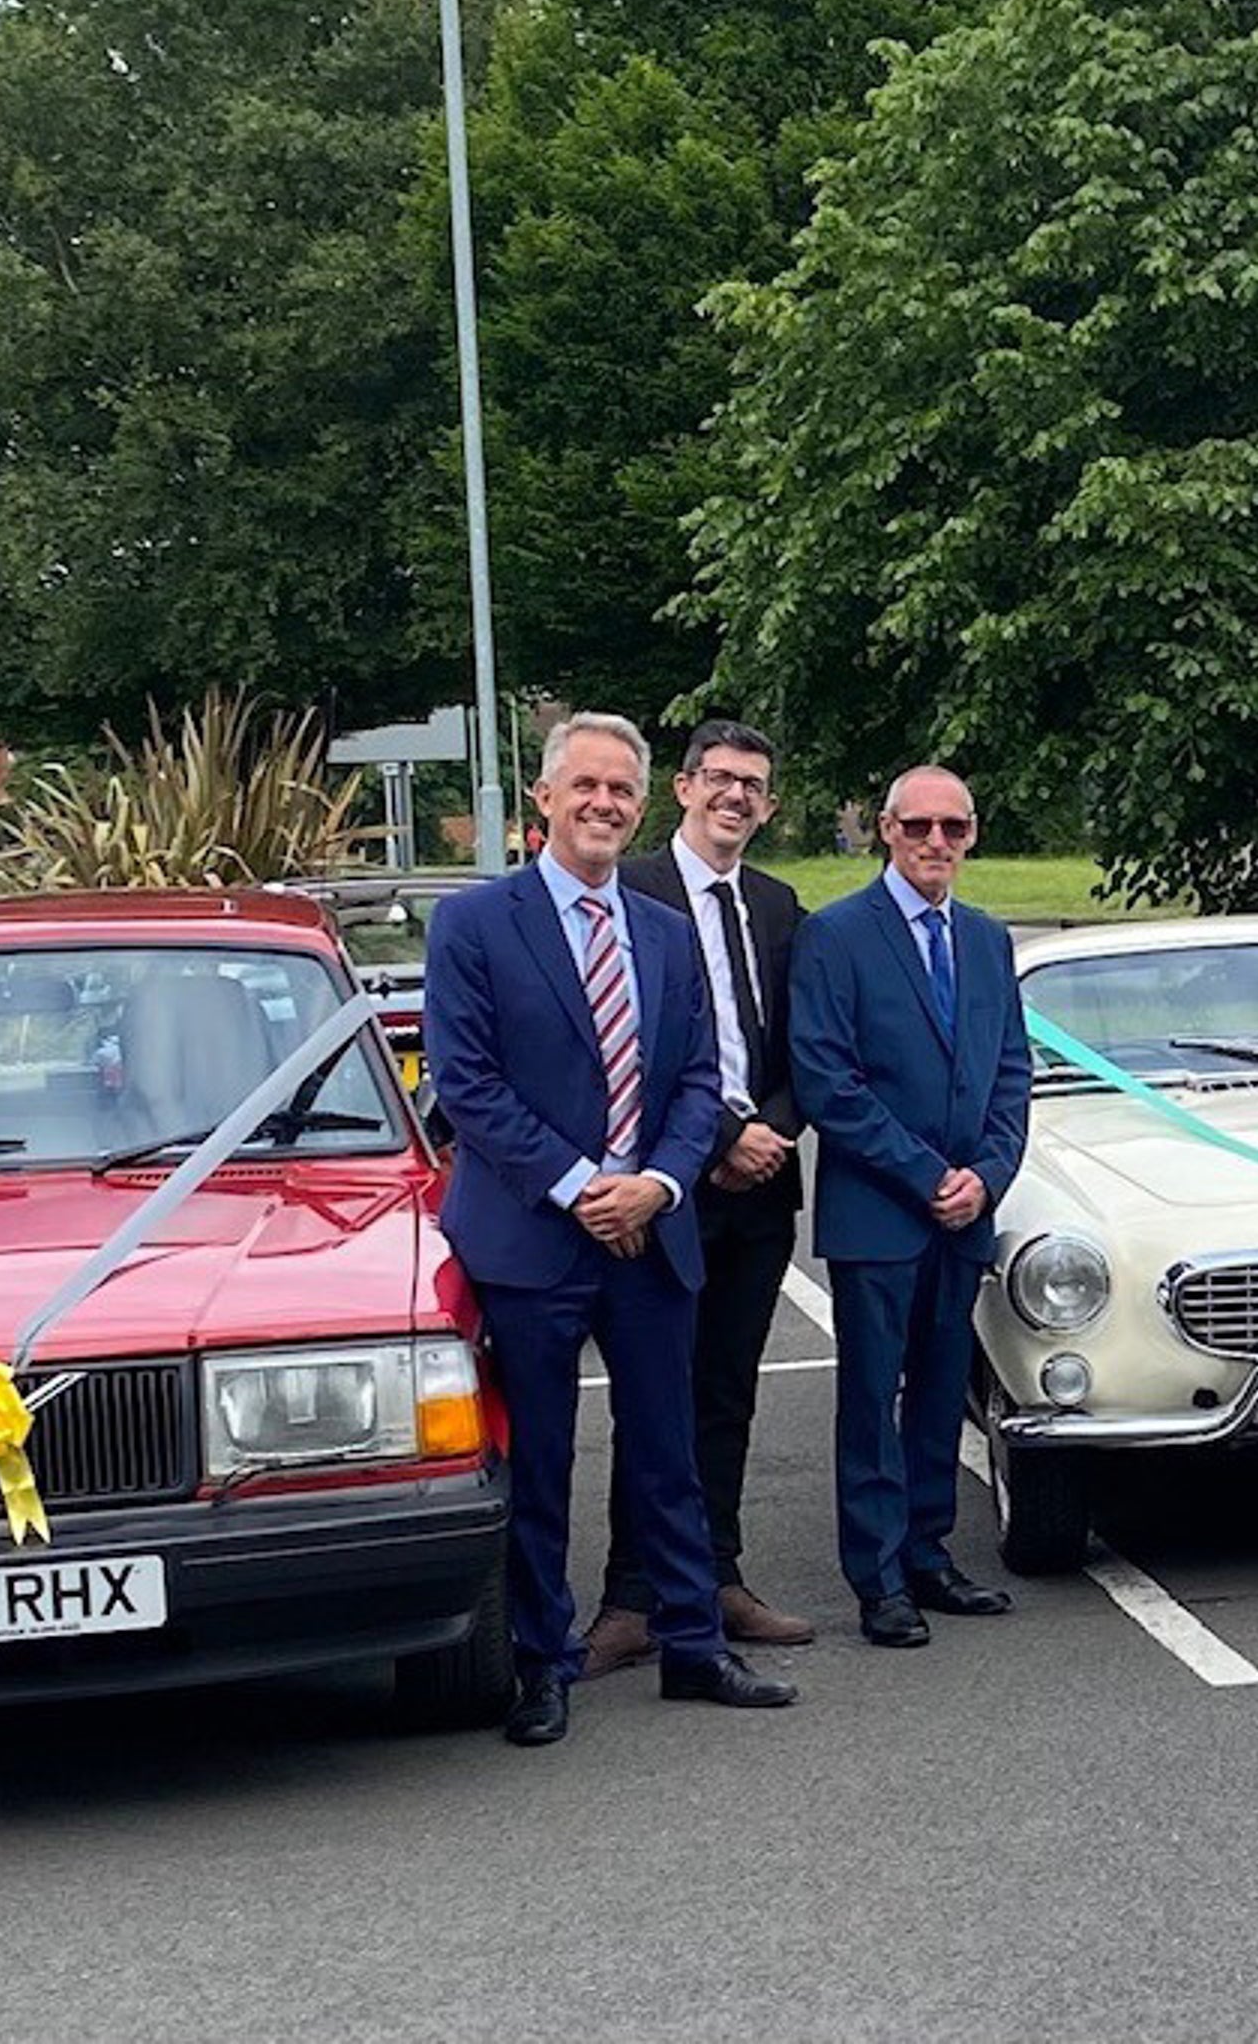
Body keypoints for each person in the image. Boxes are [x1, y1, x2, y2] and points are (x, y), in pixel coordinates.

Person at [424, 713, 798, 1746]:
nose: (603, 804)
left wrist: (663, 1186)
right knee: (542, 1460)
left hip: (652, 1230)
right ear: (542, 800)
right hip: (534, 1237)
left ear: (642, 804)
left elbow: (694, 1082)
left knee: (667, 1450)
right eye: (583, 786)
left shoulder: (663, 932)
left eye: (620, 790)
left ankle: (692, 1645)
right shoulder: (474, 926)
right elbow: (469, 1085)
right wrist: (588, 1185)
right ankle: (542, 1665)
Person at [583, 720, 814, 1668]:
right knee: (652, 1394)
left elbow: (805, 1042)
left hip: (760, 1195)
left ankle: (717, 1577)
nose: (736, 797)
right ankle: (631, 1598)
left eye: (753, 784)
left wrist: (774, 1131)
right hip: (665, 1186)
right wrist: (719, 1137)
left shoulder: (777, 902)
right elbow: (629, 1047)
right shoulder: (631, 889)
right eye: (720, 779)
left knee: (726, 1394)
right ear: (682, 789)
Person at [789, 764, 1034, 1647]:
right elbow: (828, 1081)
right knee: (871, 1399)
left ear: (972, 835)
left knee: (940, 1393)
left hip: (966, 1214)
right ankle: (878, 1575)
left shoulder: (987, 938)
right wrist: (929, 1175)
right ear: (887, 830)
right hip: (881, 1214)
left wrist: (988, 1176)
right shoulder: (837, 935)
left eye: (954, 829)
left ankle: (929, 1554)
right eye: (919, 826)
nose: (937, 843)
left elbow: (1011, 1071)